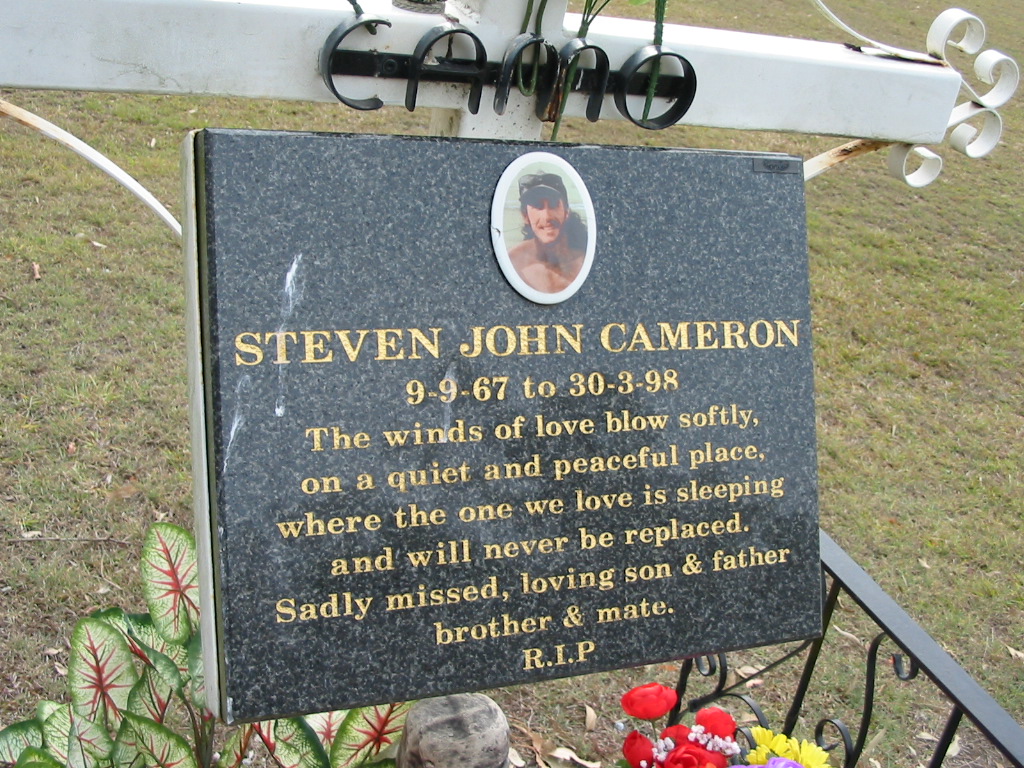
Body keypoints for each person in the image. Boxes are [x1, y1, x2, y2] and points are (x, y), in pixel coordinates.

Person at [507, 172, 588, 294]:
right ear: (525, 216)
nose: (547, 216)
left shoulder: (585, 255)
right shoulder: (513, 262)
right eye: (538, 206)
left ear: (566, 212)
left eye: (553, 205)